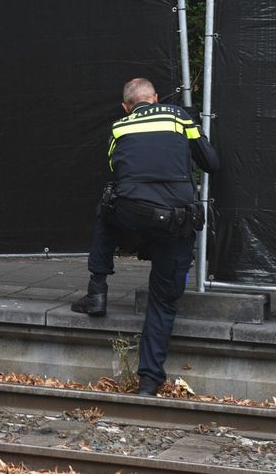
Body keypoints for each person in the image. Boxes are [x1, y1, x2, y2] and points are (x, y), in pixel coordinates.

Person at [70, 78, 219, 396]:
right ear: (153, 98)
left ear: (126, 106)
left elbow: (117, 170)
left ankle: (97, 290)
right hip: (174, 222)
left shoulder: (119, 127)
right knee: (163, 301)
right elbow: (211, 163)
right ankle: (149, 382)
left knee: (106, 208)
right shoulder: (180, 117)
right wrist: (193, 126)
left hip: (133, 216)